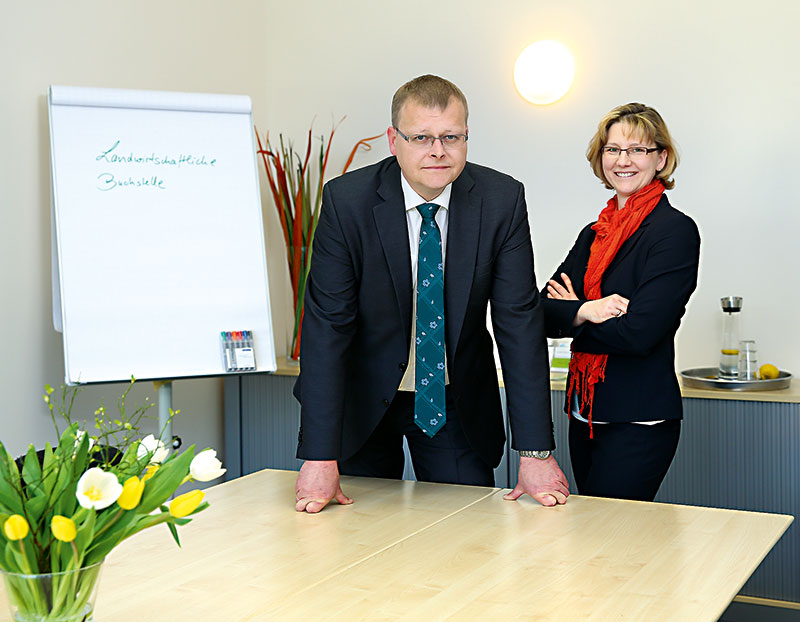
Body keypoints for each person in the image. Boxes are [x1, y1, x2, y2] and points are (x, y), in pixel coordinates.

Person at [292, 74, 569, 513]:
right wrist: (319, 453)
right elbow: (328, 326)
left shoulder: (501, 200)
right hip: (362, 401)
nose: (438, 151)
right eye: (421, 137)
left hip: (454, 401)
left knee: (465, 536)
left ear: (466, 137)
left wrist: (534, 451)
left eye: (451, 137)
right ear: (393, 139)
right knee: (356, 539)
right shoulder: (347, 202)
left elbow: (518, 320)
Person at [543, 103, 700, 502]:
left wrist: (573, 315)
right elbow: (540, 313)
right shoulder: (593, 233)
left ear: (661, 157)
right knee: (588, 538)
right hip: (584, 412)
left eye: (637, 150)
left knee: (615, 543)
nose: (623, 160)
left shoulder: (673, 232)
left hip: (639, 417)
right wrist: (588, 308)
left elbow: (640, 333)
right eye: (613, 150)